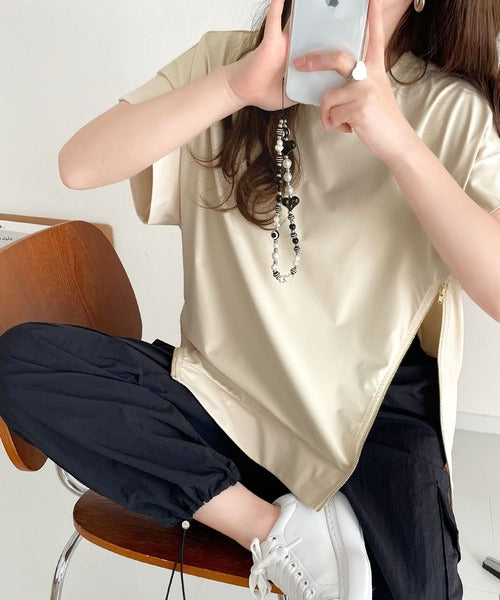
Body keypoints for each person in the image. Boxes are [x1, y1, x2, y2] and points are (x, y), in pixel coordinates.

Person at [0, 0, 499, 597]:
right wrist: (235, 87)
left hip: (371, 420)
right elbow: (78, 166)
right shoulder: (229, 62)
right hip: (224, 397)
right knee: (21, 363)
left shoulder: (450, 109)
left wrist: (400, 145)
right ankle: (274, 531)